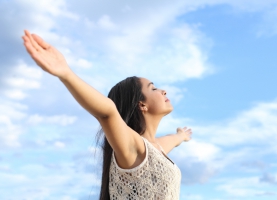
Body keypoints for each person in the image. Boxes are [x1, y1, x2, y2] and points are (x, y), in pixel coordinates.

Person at [22, 30, 193, 200]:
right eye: (154, 88)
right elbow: (107, 113)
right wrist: (66, 73)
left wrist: (182, 136)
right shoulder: (135, 147)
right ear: (141, 105)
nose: (163, 91)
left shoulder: (156, 149)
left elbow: (173, 140)